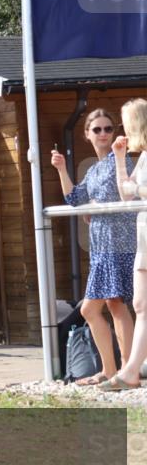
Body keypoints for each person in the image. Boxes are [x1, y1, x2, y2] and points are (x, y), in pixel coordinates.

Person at [50, 109, 136, 385]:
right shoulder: (95, 169)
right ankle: (113, 371)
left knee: (114, 305)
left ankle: (124, 370)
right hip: (101, 247)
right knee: (102, 307)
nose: (103, 134)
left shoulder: (121, 161)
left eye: (108, 129)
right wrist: (62, 168)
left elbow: (127, 195)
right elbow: (75, 198)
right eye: (97, 129)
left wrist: (97, 207)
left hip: (119, 243)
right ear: (87, 134)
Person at [107, 98, 147, 391]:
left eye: (124, 122)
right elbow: (127, 195)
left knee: (143, 304)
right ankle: (132, 369)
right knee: (140, 303)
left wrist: (137, 188)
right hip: (143, 235)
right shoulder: (143, 156)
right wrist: (120, 157)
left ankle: (131, 370)